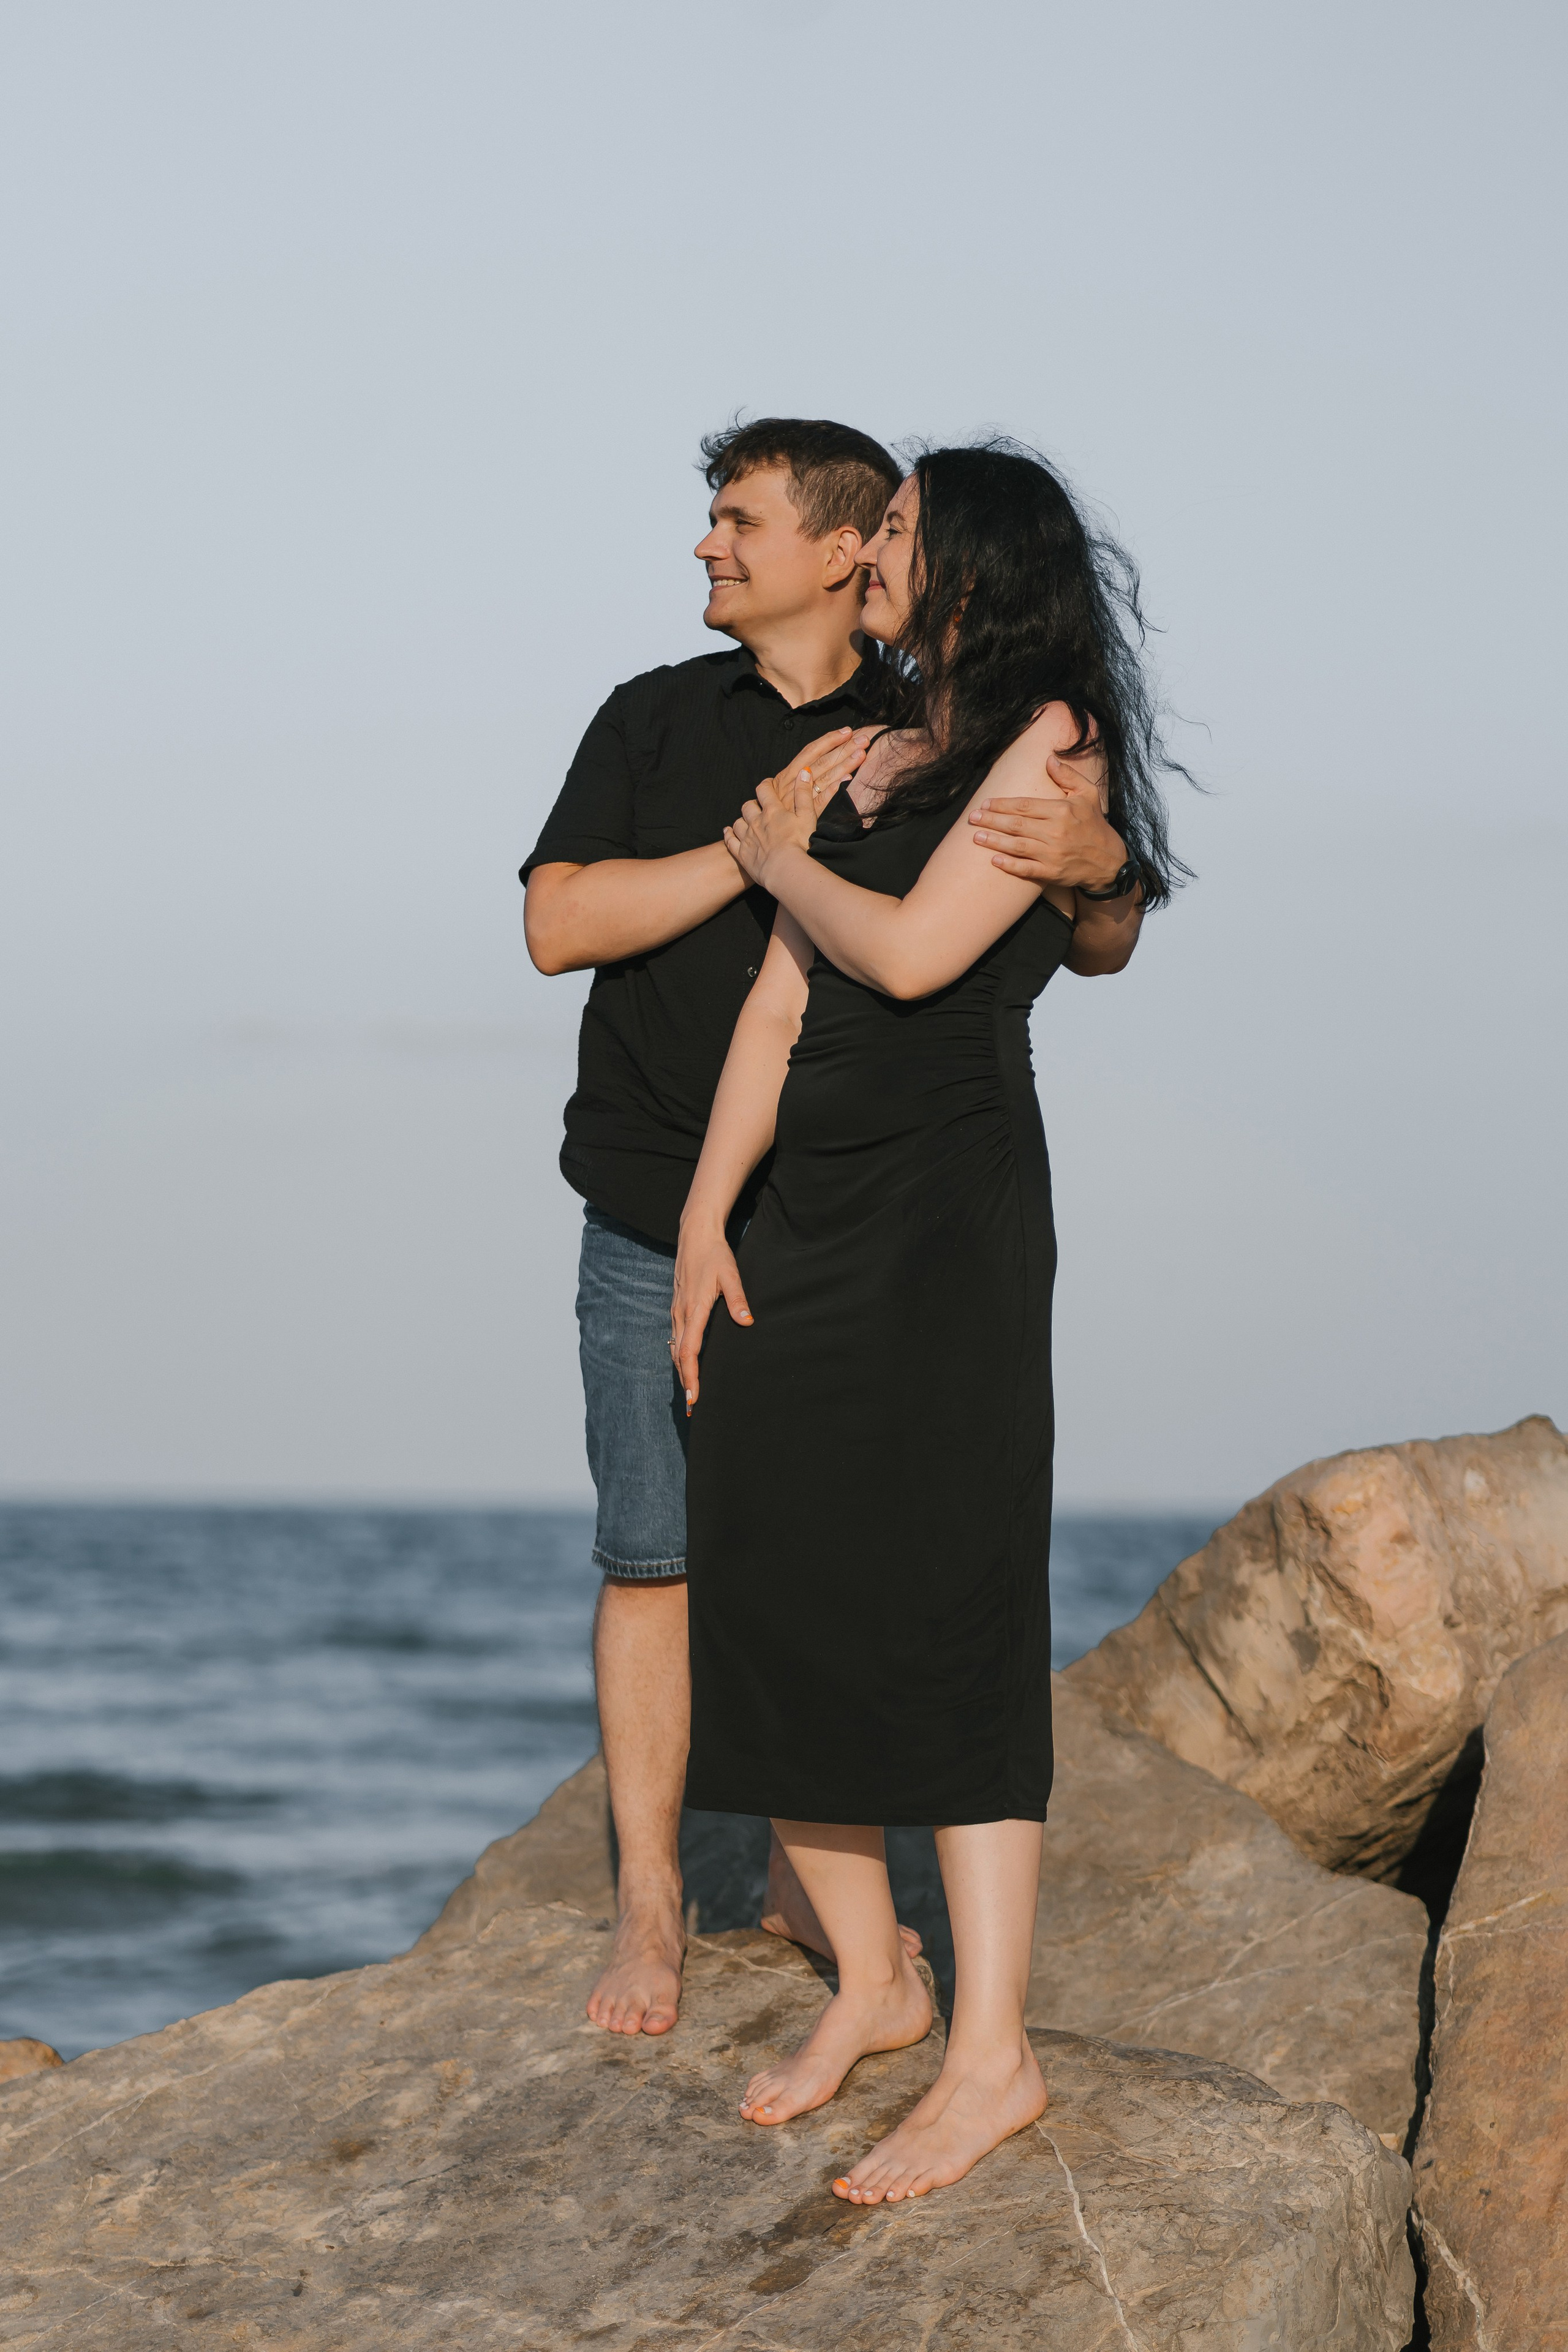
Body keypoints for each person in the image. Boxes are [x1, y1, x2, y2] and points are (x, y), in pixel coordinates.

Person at [524, 420, 1139, 2041]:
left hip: (874, 1212)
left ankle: (860, 1934)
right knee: (666, 1556)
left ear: (851, 543)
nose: (708, 545)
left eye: (740, 519)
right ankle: (664, 1909)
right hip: (662, 1196)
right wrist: (754, 857)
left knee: (854, 1560)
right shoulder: (663, 718)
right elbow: (562, 926)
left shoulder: (946, 725)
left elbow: (1059, 935)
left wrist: (1111, 868)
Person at [671, 440, 1181, 2201]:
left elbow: (902, 957)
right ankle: (878, 1981)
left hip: (943, 1221)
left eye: (899, 528)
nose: (876, 547)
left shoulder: (1051, 743)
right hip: (801, 1217)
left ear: (972, 558)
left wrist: (773, 856)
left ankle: (992, 2057)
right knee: (774, 1564)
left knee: (949, 1593)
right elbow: (776, 1010)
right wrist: (704, 1218)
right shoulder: (875, 748)